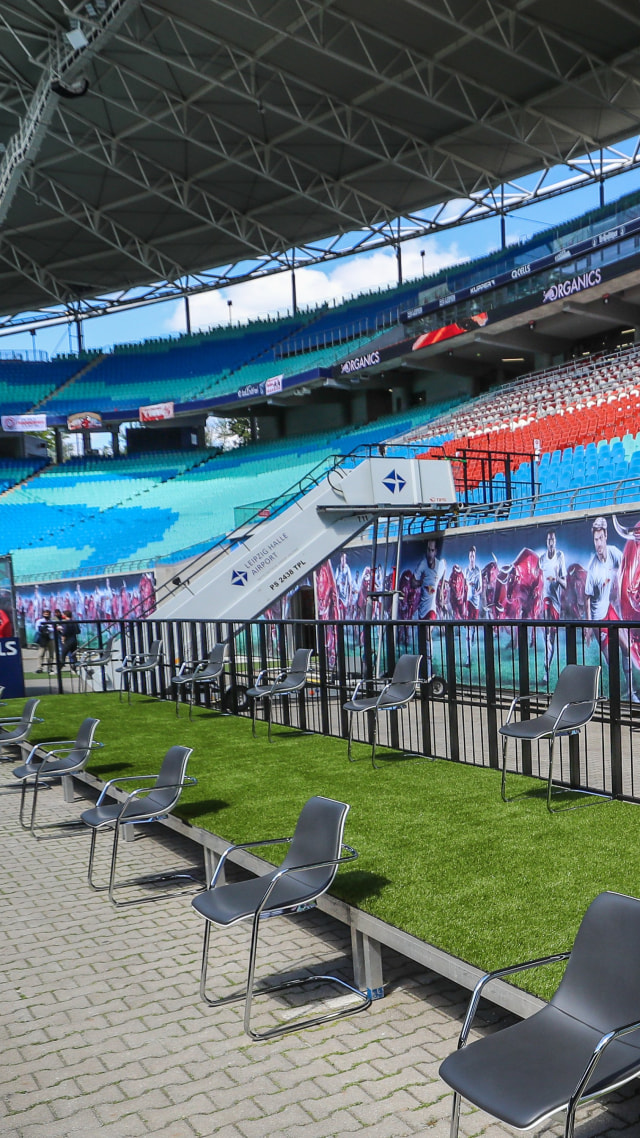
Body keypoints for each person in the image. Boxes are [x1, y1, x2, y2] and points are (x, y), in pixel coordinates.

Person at [539, 529, 567, 677]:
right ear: (547, 542)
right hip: (546, 599)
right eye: (549, 540)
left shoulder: (560, 557)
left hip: (556, 603)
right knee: (547, 631)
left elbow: (565, 584)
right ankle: (546, 668)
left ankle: (547, 667)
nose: (551, 543)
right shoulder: (542, 559)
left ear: (555, 542)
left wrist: (557, 577)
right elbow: (539, 581)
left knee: (551, 637)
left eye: (553, 540)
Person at [414, 538, 446, 620]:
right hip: (422, 610)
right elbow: (413, 583)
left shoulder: (439, 565)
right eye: (429, 550)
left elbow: (444, 565)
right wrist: (420, 582)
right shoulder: (422, 565)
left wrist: (441, 589)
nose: (430, 554)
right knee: (423, 631)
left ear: (435, 552)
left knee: (428, 628)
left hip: (432, 610)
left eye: (432, 550)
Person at [464, 545, 482, 666]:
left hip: (475, 603)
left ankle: (474, 634)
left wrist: (476, 591)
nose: (472, 558)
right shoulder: (466, 571)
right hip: (468, 602)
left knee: (473, 628)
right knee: (467, 630)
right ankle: (468, 658)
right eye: (470, 556)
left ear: (475, 557)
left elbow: (481, 588)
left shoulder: (478, 571)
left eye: (473, 556)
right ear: (468, 557)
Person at [334, 551, 353, 620]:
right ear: (341, 559)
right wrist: (336, 593)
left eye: (345, 558)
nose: (344, 560)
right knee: (340, 610)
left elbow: (350, 583)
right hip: (339, 594)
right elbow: (335, 582)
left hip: (345, 593)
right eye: (343, 558)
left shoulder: (347, 568)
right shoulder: (338, 568)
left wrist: (350, 595)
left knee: (345, 611)